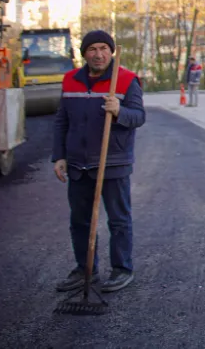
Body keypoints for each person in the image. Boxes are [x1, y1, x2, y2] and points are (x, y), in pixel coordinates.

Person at [52, 30, 146, 294]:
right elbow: (61, 121)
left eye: (104, 48)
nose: (99, 54)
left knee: (118, 220)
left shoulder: (126, 80)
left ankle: (122, 268)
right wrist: (59, 156)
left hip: (113, 162)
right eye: (92, 49)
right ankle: (86, 269)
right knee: (79, 221)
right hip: (78, 164)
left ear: (111, 51)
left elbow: (138, 117)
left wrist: (119, 111)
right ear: (85, 53)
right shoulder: (70, 80)